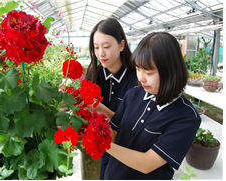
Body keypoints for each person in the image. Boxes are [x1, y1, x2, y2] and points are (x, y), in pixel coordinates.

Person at [103, 32, 201, 180]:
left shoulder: (186, 117)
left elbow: (147, 163)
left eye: (148, 72)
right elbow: (115, 132)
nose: (140, 77)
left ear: (171, 71)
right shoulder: (133, 95)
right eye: (137, 69)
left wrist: (101, 145)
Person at [85, 18, 138, 180]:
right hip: (107, 145)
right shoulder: (95, 74)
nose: (101, 53)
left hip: (130, 148)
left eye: (106, 47)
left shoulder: (137, 79)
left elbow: (133, 125)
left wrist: (101, 109)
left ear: (122, 45)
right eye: (96, 47)